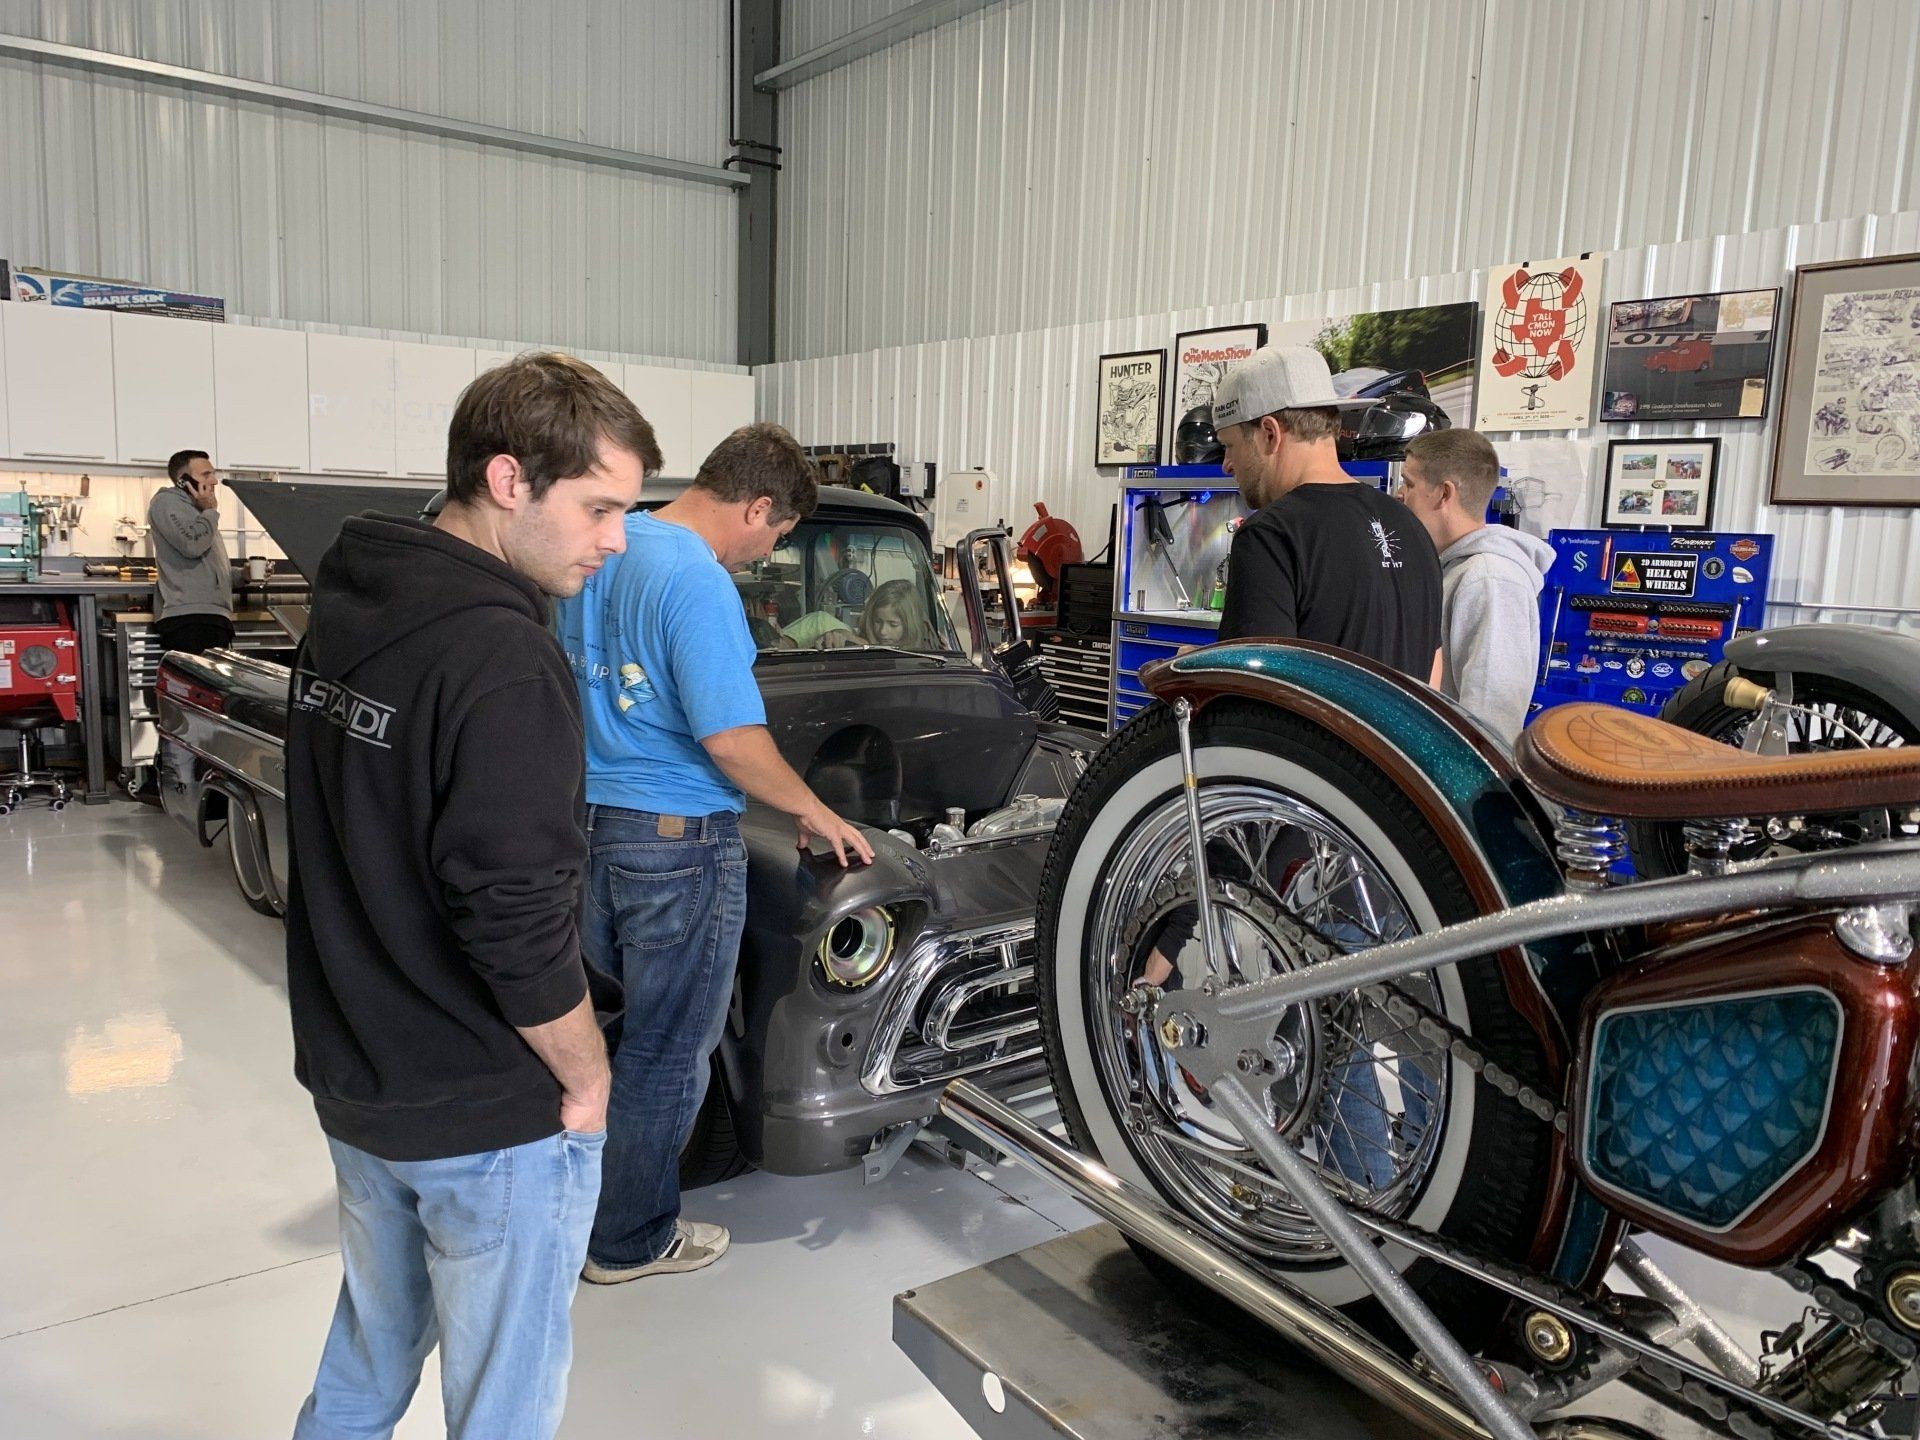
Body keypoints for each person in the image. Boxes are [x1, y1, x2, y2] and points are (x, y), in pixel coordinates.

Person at [285, 352, 658, 1440]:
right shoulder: (500, 656)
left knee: (369, 1351)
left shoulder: (351, 610)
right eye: (599, 508)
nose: (615, 539)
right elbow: (514, 911)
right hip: (482, 1110)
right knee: (504, 1403)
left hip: (360, 1078)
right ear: (509, 481)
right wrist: (589, 1081)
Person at [553, 421, 876, 1286]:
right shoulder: (695, 578)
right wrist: (811, 810)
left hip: (592, 827)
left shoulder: (605, 542)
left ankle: (580, 1205)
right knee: (668, 1049)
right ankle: (628, 1241)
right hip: (676, 842)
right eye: (774, 537)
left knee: (605, 1033)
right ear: (757, 504)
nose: (764, 554)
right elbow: (731, 739)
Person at [1212, 345, 1442, 681]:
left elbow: (1253, 693)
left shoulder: (1272, 534)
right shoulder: (1409, 524)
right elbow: (1433, 669)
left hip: (1307, 736)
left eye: (1230, 445)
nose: (1226, 465)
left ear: (1269, 434)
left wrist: (1203, 670)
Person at [1397, 429, 1556, 746]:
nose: (1399, 494)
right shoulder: (1454, 569)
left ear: (1444, 494)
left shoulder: (1489, 578)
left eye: (1409, 483)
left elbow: (1490, 720)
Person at [148, 450, 234, 654]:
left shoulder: (199, 512)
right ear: (183, 480)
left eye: (213, 473)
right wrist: (211, 512)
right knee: (197, 686)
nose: (214, 481)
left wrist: (242, 575)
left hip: (210, 616)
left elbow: (206, 566)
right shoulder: (166, 503)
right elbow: (192, 545)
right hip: (190, 620)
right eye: (206, 475)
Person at [859, 577, 934, 648]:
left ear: (910, 624)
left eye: (893, 625)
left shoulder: (928, 651)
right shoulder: (860, 644)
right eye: (878, 622)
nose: (882, 631)